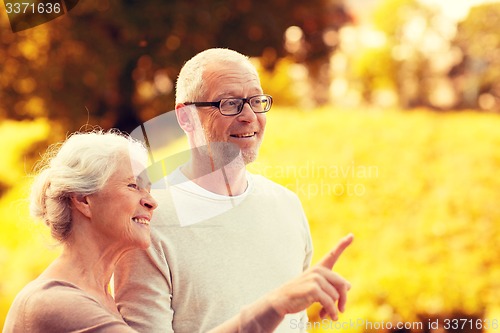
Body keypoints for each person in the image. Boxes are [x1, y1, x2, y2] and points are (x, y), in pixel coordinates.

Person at [2, 129, 353, 333]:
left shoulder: (100, 298)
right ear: (84, 201)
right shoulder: (56, 303)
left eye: (149, 189)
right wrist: (274, 304)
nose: (152, 202)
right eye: (133, 187)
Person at [114, 48, 353, 332]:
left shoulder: (287, 206)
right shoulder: (146, 219)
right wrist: (273, 304)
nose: (250, 116)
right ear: (186, 117)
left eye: (256, 100)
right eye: (230, 104)